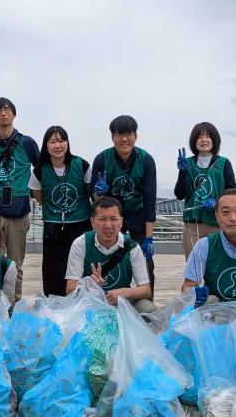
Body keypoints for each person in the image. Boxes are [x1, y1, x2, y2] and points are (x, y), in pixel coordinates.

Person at [0, 97, 40, 301]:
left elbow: (40, 171)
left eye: (7, 109)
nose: (4, 113)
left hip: (19, 211)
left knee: (15, 263)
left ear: (14, 113)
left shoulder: (27, 143)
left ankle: (14, 303)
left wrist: (37, 197)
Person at [90, 115, 157, 296]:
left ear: (136, 136)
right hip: (112, 218)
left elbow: (150, 200)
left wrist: (149, 237)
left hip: (137, 216)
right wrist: (98, 192)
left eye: (129, 134)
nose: (124, 139)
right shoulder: (102, 159)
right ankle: (105, 297)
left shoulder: (146, 160)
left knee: (146, 261)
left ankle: (146, 301)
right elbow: (95, 202)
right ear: (112, 137)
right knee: (107, 258)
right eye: (119, 134)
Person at [29, 125, 92, 296]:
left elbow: (90, 192)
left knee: (82, 267)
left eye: (61, 140)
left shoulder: (82, 165)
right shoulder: (40, 170)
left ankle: (83, 302)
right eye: (52, 141)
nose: (57, 145)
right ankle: (54, 304)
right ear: (46, 145)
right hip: (53, 226)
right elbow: (38, 196)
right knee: (53, 269)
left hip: (80, 224)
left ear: (67, 143)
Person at [65, 197, 154, 312]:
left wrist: (123, 293)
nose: (108, 225)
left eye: (114, 219)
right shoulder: (81, 243)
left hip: (122, 303)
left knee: (148, 309)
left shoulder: (132, 247)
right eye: (102, 219)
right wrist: (89, 284)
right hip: (89, 303)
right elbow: (69, 289)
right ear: (92, 222)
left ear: (121, 221)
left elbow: (146, 290)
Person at [174, 122, 236, 258]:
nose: (204, 140)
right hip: (192, 224)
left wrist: (218, 201)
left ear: (214, 140)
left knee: (216, 266)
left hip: (217, 223)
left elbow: (233, 193)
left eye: (208, 136)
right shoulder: (187, 163)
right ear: (194, 141)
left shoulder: (224, 163)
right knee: (194, 266)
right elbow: (179, 194)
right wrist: (182, 173)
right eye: (199, 137)